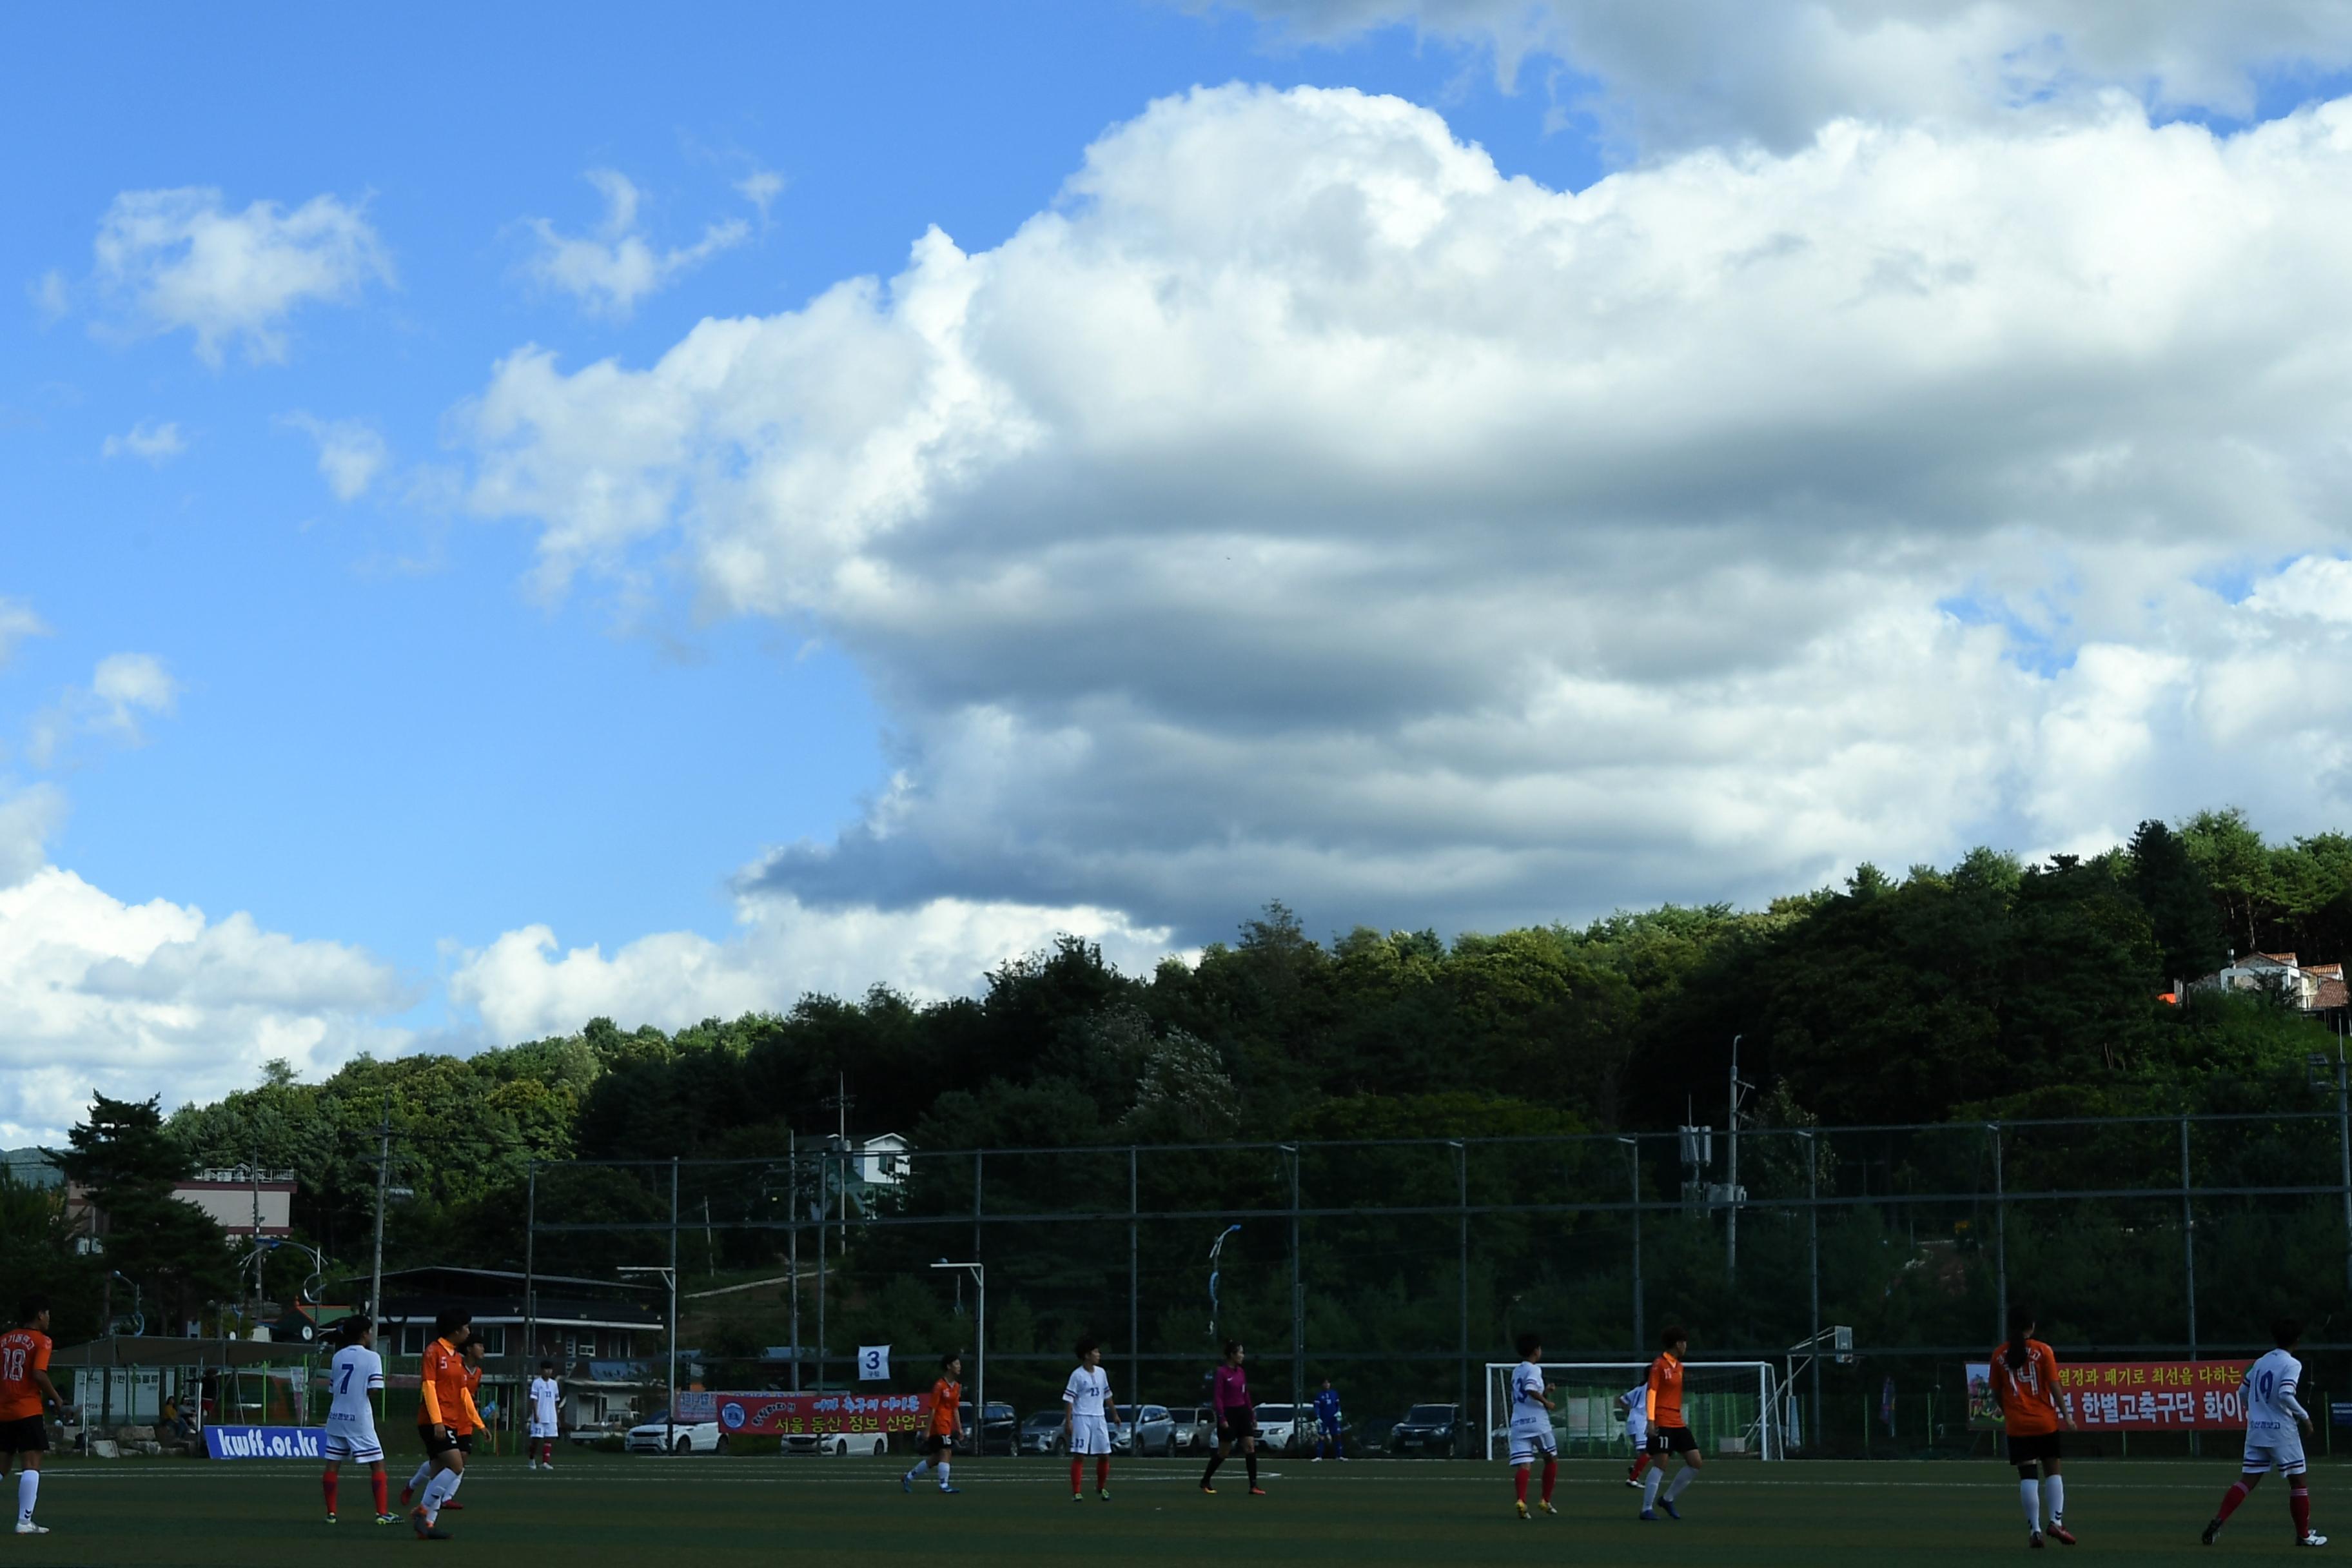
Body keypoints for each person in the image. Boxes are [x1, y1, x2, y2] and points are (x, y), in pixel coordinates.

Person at [2205, 1317, 2327, 1548]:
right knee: (2298, 1482)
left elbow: (2242, 1392)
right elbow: (2285, 1394)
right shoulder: (2292, 1364)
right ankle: (2303, 1536)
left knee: (2247, 1481)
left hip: (2257, 1430)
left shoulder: (2260, 1362)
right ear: (2297, 1341)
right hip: (2282, 1431)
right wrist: (2305, 1417)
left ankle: (2218, 1520)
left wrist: (2256, 1412)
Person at [1990, 1305, 2076, 1548]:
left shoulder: (1999, 1354)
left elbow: (1996, 1391)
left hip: (2018, 1425)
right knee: (2053, 1472)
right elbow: (2055, 1386)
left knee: (2028, 1477)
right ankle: (2056, 1522)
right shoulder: (2043, 1351)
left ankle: (2035, 1530)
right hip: (2044, 1422)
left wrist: (2008, 1411)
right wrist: (2067, 1415)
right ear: (2032, 1326)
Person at [402, 1309, 478, 1541]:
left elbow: (462, 1393)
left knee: (437, 1473)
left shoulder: (456, 1357)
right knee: (456, 1466)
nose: (469, 1331)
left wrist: (478, 1422)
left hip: (451, 1422)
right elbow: (429, 1388)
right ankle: (423, 1510)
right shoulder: (433, 1352)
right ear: (456, 1330)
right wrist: (437, 1421)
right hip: (434, 1422)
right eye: (466, 1327)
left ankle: (427, 1526)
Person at [0, 1295, 72, 1536]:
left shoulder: (4, 1340)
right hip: (28, 1409)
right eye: (48, 1314)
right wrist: (57, 1398)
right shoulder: (42, 1341)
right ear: (40, 1314)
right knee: (31, 1465)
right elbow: (39, 1374)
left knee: (2, 1466)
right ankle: (24, 1521)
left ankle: (24, 1521)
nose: (49, 1319)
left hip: (3, 1410)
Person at [320, 1315, 395, 1525]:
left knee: (333, 1465)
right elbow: (374, 1389)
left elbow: (333, 1388)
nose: (372, 1335)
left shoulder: (338, 1357)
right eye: (370, 1331)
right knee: (378, 1464)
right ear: (364, 1334)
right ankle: (382, 1513)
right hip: (359, 1418)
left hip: (336, 1417)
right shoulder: (373, 1358)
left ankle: (331, 1514)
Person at [1639, 1324, 1701, 1522]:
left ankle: (1667, 1499)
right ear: (1678, 1344)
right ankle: (1646, 1508)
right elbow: (1652, 1393)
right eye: (1684, 1343)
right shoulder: (1659, 1365)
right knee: (1661, 1463)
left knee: (1695, 1462)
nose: (1686, 1347)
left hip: (1677, 1421)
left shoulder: (1679, 1367)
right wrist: (1651, 1421)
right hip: (1662, 1420)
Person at [1199, 1340, 1263, 1497]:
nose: (1242, 1356)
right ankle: (1205, 1480)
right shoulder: (1222, 1372)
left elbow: (1245, 1394)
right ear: (1232, 1355)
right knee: (1224, 1452)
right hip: (1229, 1413)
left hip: (1242, 1413)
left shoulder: (1241, 1372)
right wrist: (1222, 1418)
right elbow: (1218, 1397)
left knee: (1250, 1447)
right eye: (1240, 1352)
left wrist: (1251, 1414)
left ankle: (1253, 1486)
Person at [1507, 1333, 1559, 1520]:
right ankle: (1545, 1500)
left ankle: (1521, 1501)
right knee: (1551, 1458)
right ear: (1537, 1351)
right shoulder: (1534, 1369)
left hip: (1518, 1423)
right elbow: (1530, 1389)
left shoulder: (1516, 1371)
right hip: (1537, 1422)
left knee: (1525, 1464)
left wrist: (1545, 1391)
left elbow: (1525, 1392)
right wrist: (1547, 1402)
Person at [1062, 1337, 1119, 1502]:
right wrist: (1069, 1420)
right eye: (1095, 1352)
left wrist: (1114, 1414)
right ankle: (1077, 1492)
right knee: (1080, 1455)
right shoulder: (1077, 1375)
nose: (1098, 1355)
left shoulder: (1101, 1373)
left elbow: (1107, 1395)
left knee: (1104, 1455)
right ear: (1087, 1355)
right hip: (1082, 1418)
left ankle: (1101, 1487)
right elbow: (1069, 1399)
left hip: (1099, 1418)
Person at [903, 1351, 965, 1494]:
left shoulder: (956, 1386)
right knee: (946, 1452)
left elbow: (955, 1408)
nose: (959, 1367)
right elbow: (932, 1408)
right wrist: (927, 1429)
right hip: (939, 1424)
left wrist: (960, 1428)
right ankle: (944, 1485)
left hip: (947, 1425)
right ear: (949, 1367)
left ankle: (909, 1477)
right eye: (956, 1364)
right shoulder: (939, 1386)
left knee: (937, 1457)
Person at [526, 1360, 560, 1472]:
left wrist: (557, 1416)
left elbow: (556, 1401)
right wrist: (536, 1414)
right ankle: (531, 1459)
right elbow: (534, 1399)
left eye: (550, 1369)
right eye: (546, 1369)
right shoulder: (537, 1383)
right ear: (542, 1370)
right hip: (540, 1415)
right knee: (536, 1439)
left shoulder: (554, 1384)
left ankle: (545, 1462)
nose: (549, 1371)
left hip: (551, 1416)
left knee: (549, 1439)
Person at [1620, 1378, 1652, 1489]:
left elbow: (1623, 1399)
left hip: (1632, 1421)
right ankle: (1632, 1479)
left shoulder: (1639, 1388)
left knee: (1644, 1451)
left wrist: (1629, 1413)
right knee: (1648, 1451)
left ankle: (1635, 1469)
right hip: (1641, 1422)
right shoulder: (1651, 1386)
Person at [1311, 1378, 1345, 1462]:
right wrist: (1318, 1417)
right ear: (1322, 1385)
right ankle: (1319, 1456)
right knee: (1322, 1436)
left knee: (1337, 1436)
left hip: (1333, 1418)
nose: (1327, 1385)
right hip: (1324, 1419)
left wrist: (1339, 1412)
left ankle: (1339, 1456)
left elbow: (1338, 1405)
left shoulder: (1334, 1393)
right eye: (1325, 1383)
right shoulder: (1319, 1395)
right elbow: (1317, 1407)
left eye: (1328, 1383)